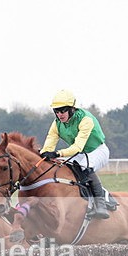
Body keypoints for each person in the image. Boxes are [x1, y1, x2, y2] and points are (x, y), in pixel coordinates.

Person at [39, 89, 111, 219]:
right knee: (60, 167)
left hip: (97, 150)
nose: (59, 114)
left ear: (72, 109)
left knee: (84, 168)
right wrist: (44, 153)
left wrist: (57, 153)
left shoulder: (86, 119)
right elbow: (49, 143)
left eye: (63, 110)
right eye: (56, 111)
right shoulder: (56, 124)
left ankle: (101, 203)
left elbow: (78, 147)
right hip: (80, 153)